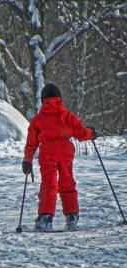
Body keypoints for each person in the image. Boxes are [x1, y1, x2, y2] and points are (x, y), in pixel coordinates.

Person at [22, 83, 97, 231]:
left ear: (43, 100)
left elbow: (31, 143)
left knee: (49, 184)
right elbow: (81, 133)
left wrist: (27, 160)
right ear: (60, 99)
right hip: (66, 150)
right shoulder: (68, 116)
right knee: (67, 181)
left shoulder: (38, 119)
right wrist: (91, 133)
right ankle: (72, 217)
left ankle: (45, 218)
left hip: (48, 152)